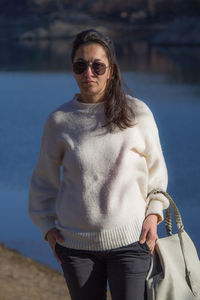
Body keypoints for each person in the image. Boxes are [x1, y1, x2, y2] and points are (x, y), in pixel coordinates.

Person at [28, 29, 169, 300]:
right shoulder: (59, 120)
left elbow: (157, 173)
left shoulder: (137, 113)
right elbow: (43, 181)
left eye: (97, 66)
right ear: (73, 70)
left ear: (111, 70)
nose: (88, 73)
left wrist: (154, 213)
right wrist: (46, 227)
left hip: (132, 242)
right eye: (80, 66)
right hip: (76, 248)